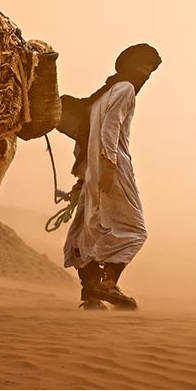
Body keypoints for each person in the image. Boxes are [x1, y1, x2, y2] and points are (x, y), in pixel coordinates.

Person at [59, 44, 162, 310]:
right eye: (143, 65)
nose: (147, 72)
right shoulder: (125, 89)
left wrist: (83, 177)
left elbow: (84, 140)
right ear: (129, 65)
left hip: (94, 173)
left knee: (90, 231)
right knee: (135, 230)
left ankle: (91, 295)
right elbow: (110, 128)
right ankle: (107, 285)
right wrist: (109, 166)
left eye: (151, 68)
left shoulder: (100, 96)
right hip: (112, 169)